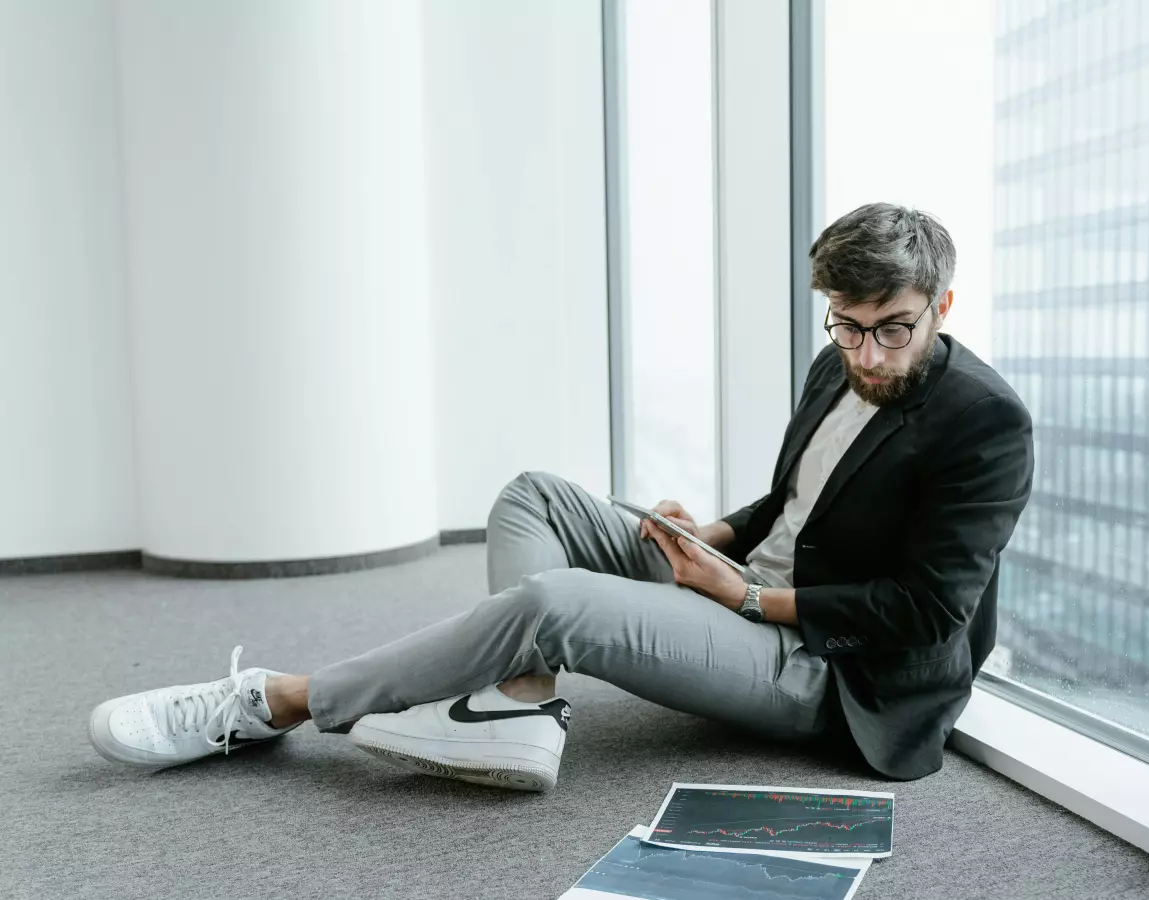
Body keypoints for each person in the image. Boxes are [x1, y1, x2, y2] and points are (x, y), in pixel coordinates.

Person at [88, 202, 1034, 787]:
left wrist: (745, 596)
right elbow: (799, 502)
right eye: (847, 326)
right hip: (741, 582)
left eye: (892, 331)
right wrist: (708, 536)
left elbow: (925, 611)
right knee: (534, 495)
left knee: (554, 602)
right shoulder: (840, 365)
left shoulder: (988, 423)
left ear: (942, 307)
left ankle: (277, 703)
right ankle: (520, 705)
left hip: (825, 669)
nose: (865, 353)